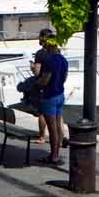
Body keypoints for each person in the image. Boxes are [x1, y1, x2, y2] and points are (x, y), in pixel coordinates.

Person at [35, 34, 69, 165]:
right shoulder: (63, 59)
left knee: (52, 128)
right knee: (57, 123)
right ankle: (56, 153)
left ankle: (54, 156)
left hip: (50, 96)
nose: (44, 47)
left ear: (50, 45)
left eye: (45, 45)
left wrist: (36, 84)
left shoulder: (50, 61)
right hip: (60, 94)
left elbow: (45, 80)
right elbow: (65, 77)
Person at [30, 29, 56, 143]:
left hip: (44, 86)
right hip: (56, 86)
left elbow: (37, 72)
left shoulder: (40, 53)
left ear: (42, 38)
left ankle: (42, 136)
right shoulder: (57, 52)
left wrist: (32, 67)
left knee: (42, 112)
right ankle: (59, 138)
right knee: (57, 114)